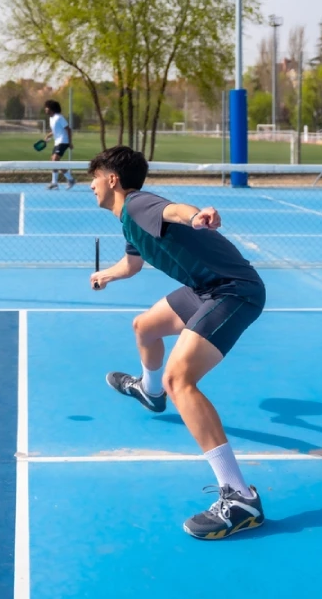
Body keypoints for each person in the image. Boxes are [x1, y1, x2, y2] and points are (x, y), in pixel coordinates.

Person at [87, 145, 267, 540]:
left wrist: (197, 214)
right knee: (144, 327)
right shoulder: (128, 220)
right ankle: (150, 394)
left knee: (180, 380)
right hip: (203, 288)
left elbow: (173, 209)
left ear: (112, 179)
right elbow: (133, 264)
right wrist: (107, 276)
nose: (91, 186)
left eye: (94, 178)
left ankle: (240, 499)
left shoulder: (138, 204)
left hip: (233, 292)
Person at [43, 100, 75, 190]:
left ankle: (60, 182)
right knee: (54, 162)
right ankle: (58, 182)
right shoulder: (51, 118)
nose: (45, 109)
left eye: (47, 107)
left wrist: (70, 142)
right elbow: (55, 130)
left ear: (51, 109)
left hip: (63, 141)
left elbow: (68, 129)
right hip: (57, 142)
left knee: (54, 160)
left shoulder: (59, 118)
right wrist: (48, 135)